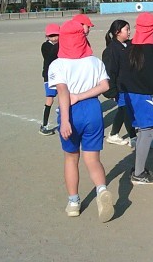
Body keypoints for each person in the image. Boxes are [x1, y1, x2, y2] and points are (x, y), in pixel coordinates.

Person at [48, 20, 114, 222]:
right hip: (93, 109)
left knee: (71, 158)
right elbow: (105, 86)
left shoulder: (58, 64)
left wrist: (65, 121)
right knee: (93, 159)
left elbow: (63, 92)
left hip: (70, 111)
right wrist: (82, 96)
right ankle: (101, 189)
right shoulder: (94, 61)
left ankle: (74, 202)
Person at [118, 12, 153, 185]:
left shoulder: (129, 47)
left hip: (129, 95)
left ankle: (139, 168)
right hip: (141, 96)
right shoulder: (148, 50)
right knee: (148, 132)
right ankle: (138, 173)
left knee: (142, 132)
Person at [102, 19, 137, 147]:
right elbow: (110, 72)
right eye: (126, 29)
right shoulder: (111, 50)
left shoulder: (126, 45)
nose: (129, 32)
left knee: (124, 110)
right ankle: (132, 137)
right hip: (120, 87)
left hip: (128, 86)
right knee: (126, 110)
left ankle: (114, 134)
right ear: (117, 32)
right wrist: (112, 91)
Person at [40, 23, 60, 135]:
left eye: (56, 35)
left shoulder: (60, 45)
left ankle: (62, 118)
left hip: (61, 75)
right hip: (50, 76)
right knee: (49, 99)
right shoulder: (45, 46)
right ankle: (44, 125)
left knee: (63, 97)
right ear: (47, 36)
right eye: (51, 36)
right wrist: (61, 43)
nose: (54, 38)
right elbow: (51, 55)